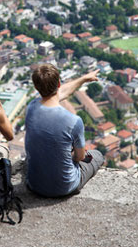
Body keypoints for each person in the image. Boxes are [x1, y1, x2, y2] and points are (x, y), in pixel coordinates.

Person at [25, 63, 104, 198]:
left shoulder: (31, 108)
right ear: (59, 83)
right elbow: (79, 157)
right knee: (97, 155)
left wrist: (84, 78)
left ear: (36, 87)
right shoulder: (73, 121)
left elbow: (61, 93)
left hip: (34, 185)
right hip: (64, 187)